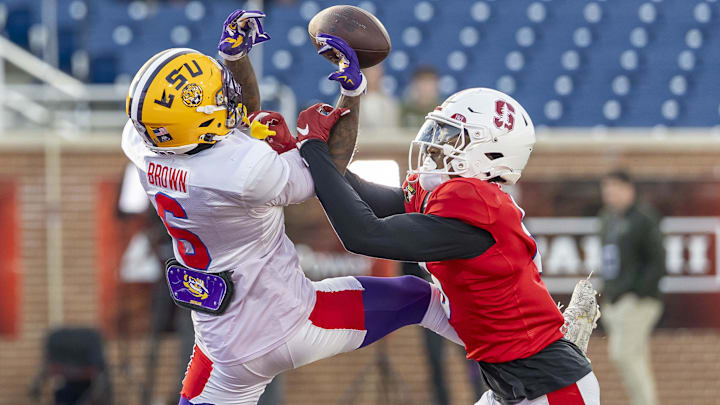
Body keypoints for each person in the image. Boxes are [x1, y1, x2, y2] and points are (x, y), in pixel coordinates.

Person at [121, 10, 461, 405]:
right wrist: (351, 93)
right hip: (293, 322)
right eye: (216, 97)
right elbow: (328, 172)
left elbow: (237, 118)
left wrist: (234, 60)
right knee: (420, 298)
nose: (225, 96)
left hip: (222, 347)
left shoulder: (143, 146)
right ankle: (528, 362)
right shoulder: (242, 171)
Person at [289, 88, 602, 404]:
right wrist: (308, 155)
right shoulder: (466, 199)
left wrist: (314, 148)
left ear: (490, 153)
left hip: (551, 389)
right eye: (438, 130)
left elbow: (363, 234)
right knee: (412, 292)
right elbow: (369, 200)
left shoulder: (475, 210)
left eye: (452, 136)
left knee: (414, 292)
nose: (435, 144)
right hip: (511, 386)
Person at [599, 170, 665, 405]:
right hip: (615, 300)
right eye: (606, 190)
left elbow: (657, 261)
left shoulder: (643, 218)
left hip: (637, 301)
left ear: (629, 189)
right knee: (636, 357)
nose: (610, 195)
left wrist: (637, 292)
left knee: (623, 353)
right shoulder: (608, 219)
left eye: (615, 189)